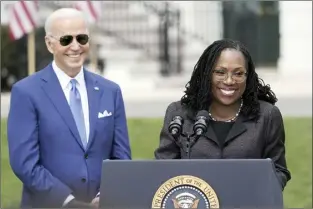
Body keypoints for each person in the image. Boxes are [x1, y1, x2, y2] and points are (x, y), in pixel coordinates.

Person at [7, 8, 131, 208]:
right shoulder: (26, 92)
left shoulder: (110, 91)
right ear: (49, 44)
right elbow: (25, 163)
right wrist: (70, 202)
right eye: (66, 40)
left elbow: (122, 156)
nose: (75, 46)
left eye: (82, 38)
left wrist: (106, 195)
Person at [154, 39, 291, 190]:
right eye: (220, 72)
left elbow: (279, 170)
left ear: (248, 76)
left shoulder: (267, 115)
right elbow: (163, 169)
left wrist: (258, 192)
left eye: (238, 73)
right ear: (207, 74)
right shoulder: (179, 113)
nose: (229, 81)